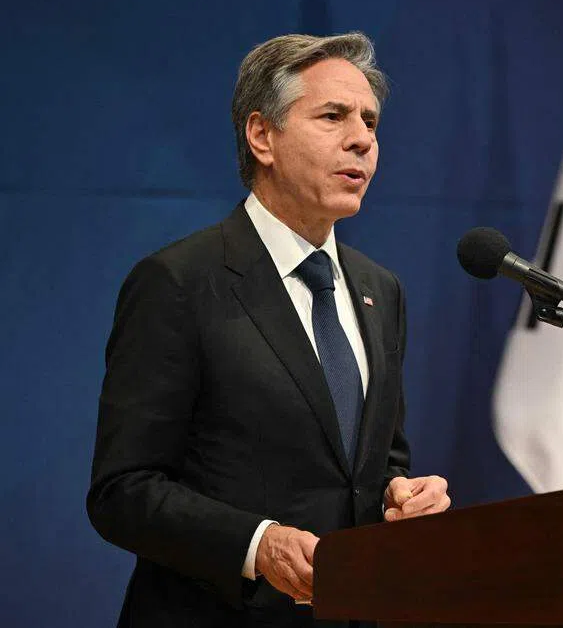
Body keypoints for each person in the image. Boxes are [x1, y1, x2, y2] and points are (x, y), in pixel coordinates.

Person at [88, 33, 451, 627]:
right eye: (332, 116)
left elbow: (377, 462)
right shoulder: (180, 282)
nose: (362, 139)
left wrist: (400, 495)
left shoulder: (379, 290)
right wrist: (256, 546)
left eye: (370, 121)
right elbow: (123, 491)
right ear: (262, 136)